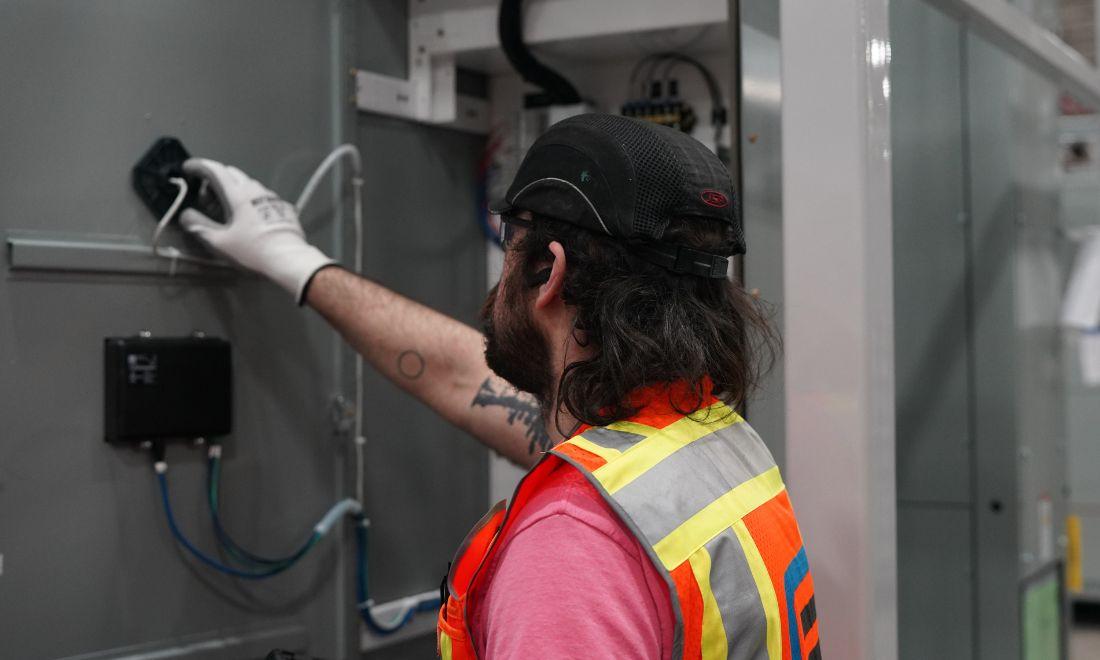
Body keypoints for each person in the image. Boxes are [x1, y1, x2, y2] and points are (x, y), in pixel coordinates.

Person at [180, 113, 819, 660]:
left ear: (548, 273)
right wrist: (292, 261)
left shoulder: (575, 545)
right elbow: (464, 377)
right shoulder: (707, 446)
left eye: (512, 242)